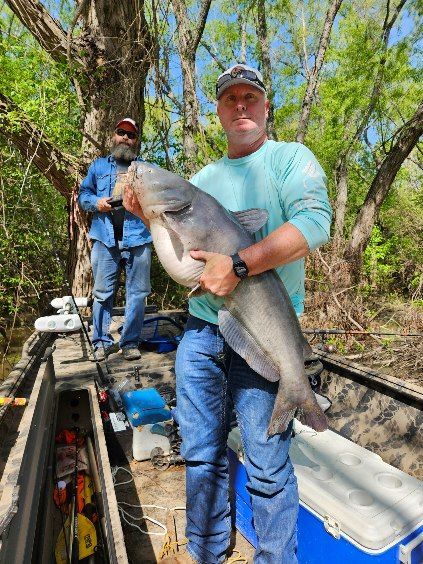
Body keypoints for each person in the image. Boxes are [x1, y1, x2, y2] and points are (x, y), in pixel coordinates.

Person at [125, 64, 332, 563]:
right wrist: (145, 212)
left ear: (265, 107)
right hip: (200, 332)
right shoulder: (201, 179)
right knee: (200, 455)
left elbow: (316, 224)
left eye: (251, 98)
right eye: (230, 99)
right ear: (218, 111)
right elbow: (179, 260)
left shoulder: (289, 159)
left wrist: (240, 264)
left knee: (265, 465)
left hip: (266, 335)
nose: (241, 106)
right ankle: (208, 553)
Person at [78, 118, 152, 361]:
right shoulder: (98, 167)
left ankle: (130, 342)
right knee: (101, 293)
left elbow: (156, 200)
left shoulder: (145, 168)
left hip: (138, 238)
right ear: (114, 135)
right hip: (104, 238)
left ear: (136, 140)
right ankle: (100, 342)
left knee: (139, 293)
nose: (126, 139)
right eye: (121, 133)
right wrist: (97, 203)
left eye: (131, 135)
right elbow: (83, 196)